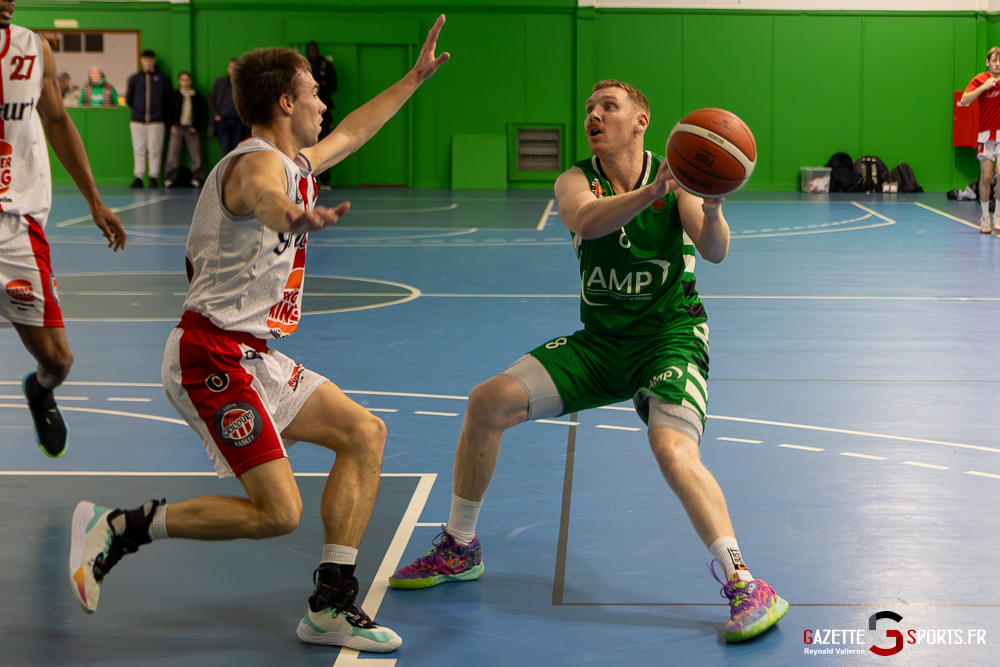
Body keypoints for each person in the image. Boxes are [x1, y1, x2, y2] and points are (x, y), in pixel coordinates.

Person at [69, 16, 450, 654]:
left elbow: (355, 130)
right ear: (285, 102)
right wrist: (293, 215)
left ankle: (331, 603)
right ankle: (120, 529)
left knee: (364, 434)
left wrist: (413, 79)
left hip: (251, 354)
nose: (324, 103)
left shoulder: (292, 159)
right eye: (314, 94)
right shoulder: (254, 166)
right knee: (278, 514)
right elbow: (266, 197)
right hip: (207, 355)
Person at [388, 79, 789, 644]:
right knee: (487, 402)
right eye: (588, 109)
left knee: (671, 448)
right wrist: (652, 194)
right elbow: (584, 220)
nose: (593, 116)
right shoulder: (576, 178)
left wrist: (714, 205)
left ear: (641, 120)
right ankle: (459, 547)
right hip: (600, 344)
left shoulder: (679, 179)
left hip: (667, 339)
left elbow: (715, 250)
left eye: (608, 107)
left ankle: (746, 583)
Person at [0, 1, 126, 458]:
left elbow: (55, 120)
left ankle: (39, 390)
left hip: (17, 223)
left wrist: (95, 200)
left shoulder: (34, 48)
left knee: (58, 359)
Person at [959, 46, 1000, 233]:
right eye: (994, 60)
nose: (998, 64)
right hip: (985, 135)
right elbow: (964, 100)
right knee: (986, 176)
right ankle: (985, 218)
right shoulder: (980, 79)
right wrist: (984, 87)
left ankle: (998, 215)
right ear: (988, 62)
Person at [125, 50, 172, 189]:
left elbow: (168, 100)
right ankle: (138, 177)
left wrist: (160, 113)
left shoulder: (162, 79)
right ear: (141, 61)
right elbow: (129, 99)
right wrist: (138, 111)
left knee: (155, 149)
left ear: (154, 61)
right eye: (145, 60)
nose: (148, 63)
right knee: (138, 149)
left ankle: (153, 177)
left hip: (157, 120)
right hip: (137, 121)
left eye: (150, 60)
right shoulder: (134, 78)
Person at [164, 71, 205, 189]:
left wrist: (196, 127)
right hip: (177, 128)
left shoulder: (197, 95)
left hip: (191, 129)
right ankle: (169, 178)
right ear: (179, 81)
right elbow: (169, 110)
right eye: (183, 79)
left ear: (190, 81)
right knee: (173, 154)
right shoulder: (174, 94)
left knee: (196, 155)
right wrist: (171, 125)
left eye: (187, 79)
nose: (185, 82)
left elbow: (202, 113)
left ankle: (197, 178)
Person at [305, 42, 337, 189]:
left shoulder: (326, 66)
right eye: (310, 49)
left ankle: (325, 180)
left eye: (314, 49)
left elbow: (333, 86)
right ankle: (306, 177)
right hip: (305, 112)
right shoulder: (303, 67)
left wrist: (322, 87)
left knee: (325, 143)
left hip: (323, 114)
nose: (312, 51)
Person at [210, 59, 248, 156]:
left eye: (236, 68)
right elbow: (212, 99)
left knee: (239, 152)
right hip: (223, 121)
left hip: (240, 122)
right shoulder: (220, 83)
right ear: (228, 69)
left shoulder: (245, 83)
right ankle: (226, 171)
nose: (234, 70)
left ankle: (237, 172)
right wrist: (215, 114)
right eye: (232, 67)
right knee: (226, 151)